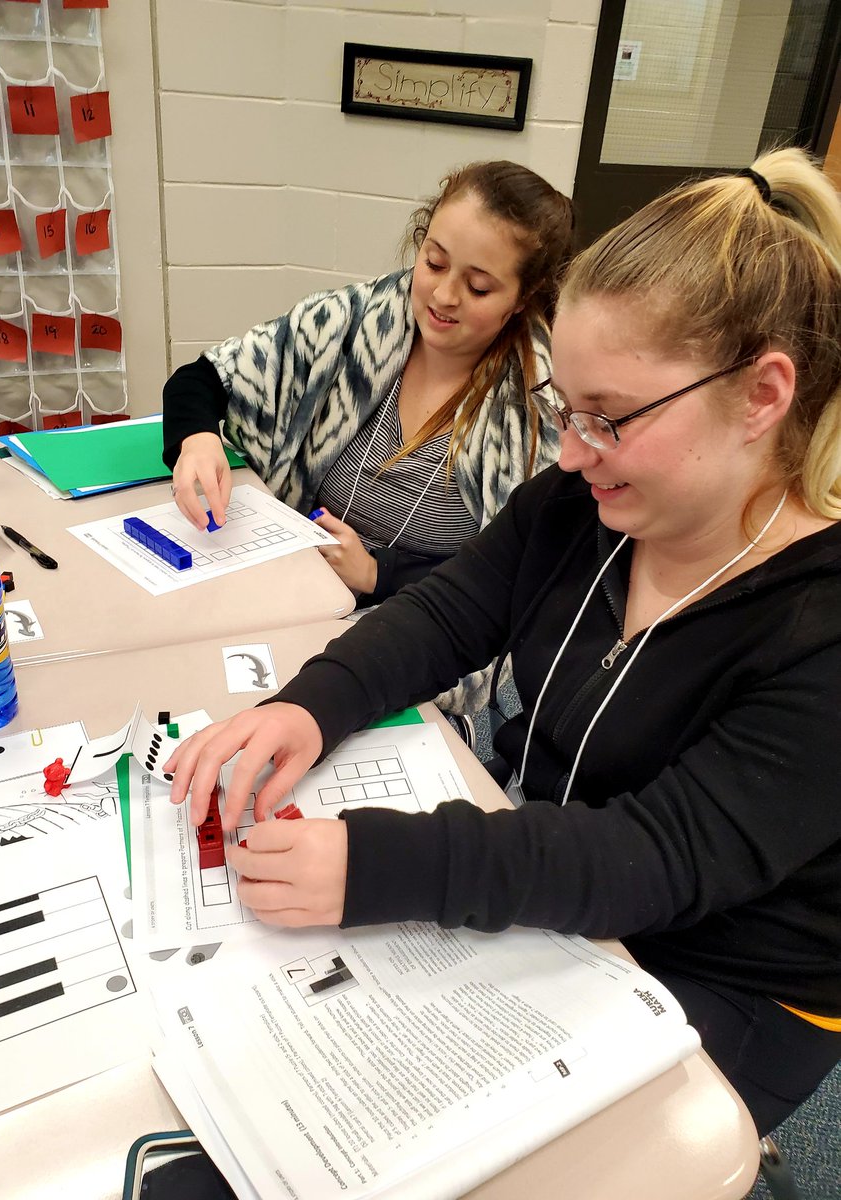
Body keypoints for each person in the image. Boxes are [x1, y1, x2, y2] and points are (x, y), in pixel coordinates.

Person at [164, 147, 841, 1136]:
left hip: (728, 973)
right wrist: (310, 706)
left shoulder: (819, 626)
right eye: (565, 407)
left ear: (763, 395)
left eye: (610, 419)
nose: (570, 452)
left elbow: (658, 854)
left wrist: (375, 866)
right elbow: (449, 613)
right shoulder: (584, 502)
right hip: (557, 872)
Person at [163, 161, 573, 610]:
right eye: (434, 263)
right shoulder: (348, 324)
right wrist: (197, 440)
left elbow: (528, 576)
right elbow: (204, 378)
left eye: (477, 288)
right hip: (295, 592)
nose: (443, 296)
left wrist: (380, 575)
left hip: (424, 624)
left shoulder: (541, 413)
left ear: (522, 297)